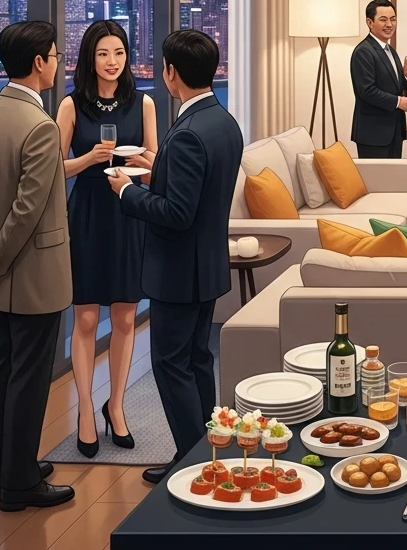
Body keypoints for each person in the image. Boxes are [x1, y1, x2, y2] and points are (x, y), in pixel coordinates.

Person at [107, 30, 243, 485]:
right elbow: (199, 195)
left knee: (171, 365)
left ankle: (193, 467)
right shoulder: (223, 121)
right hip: (206, 267)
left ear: (171, 73)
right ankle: (208, 454)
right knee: (198, 361)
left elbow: (177, 214)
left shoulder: (186, 133)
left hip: (177, 273)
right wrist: (157, 169)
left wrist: (127, 190)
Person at [0, 21, 74, 512]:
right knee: (30, 376)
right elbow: (28, 211)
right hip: (31, 272)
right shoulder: (40, 126)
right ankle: (21, 484)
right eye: (54, 54)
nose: (58, 62)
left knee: (5, 367)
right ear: (38, 64)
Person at [56, 20, 156, 458]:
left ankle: (115, 406)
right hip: (89, 212)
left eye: (119, 53)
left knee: (125, 317)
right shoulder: (71, 105)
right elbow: (55, 167)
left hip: (129, 209)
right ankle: (83, 412)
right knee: (83, 319)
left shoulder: (144, 103)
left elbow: (155, 163)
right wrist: (88, 159)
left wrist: (140, 158)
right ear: (89, 59)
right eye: (103, 54)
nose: (112, 62)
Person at [350, 0, 407, 158]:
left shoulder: (389, 50)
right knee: (376, 182)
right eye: (383, 19)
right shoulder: (363, 51)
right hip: (373, 134)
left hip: (393, 131)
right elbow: (367, 91)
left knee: (392, 181)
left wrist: (406, 77)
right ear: (369, 22)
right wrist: (399, 102)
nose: (389, 24)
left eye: (393, 19)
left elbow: (392, 86)